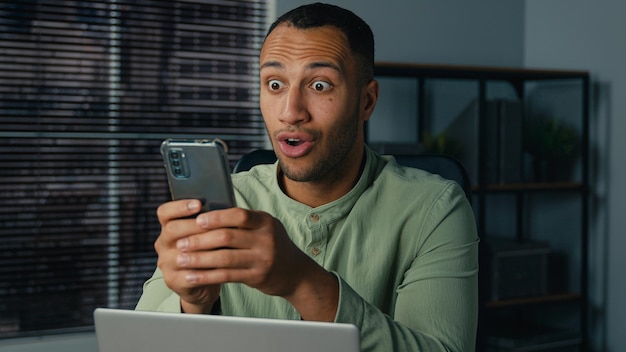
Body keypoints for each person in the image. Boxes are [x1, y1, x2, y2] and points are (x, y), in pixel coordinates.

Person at [136, 3, 479, 351]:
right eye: (274, 84)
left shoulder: (436, 209)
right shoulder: (221, 206)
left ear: (367, 101)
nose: (290, 112)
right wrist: (193, 304)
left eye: (319, 85)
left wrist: (303, 282)